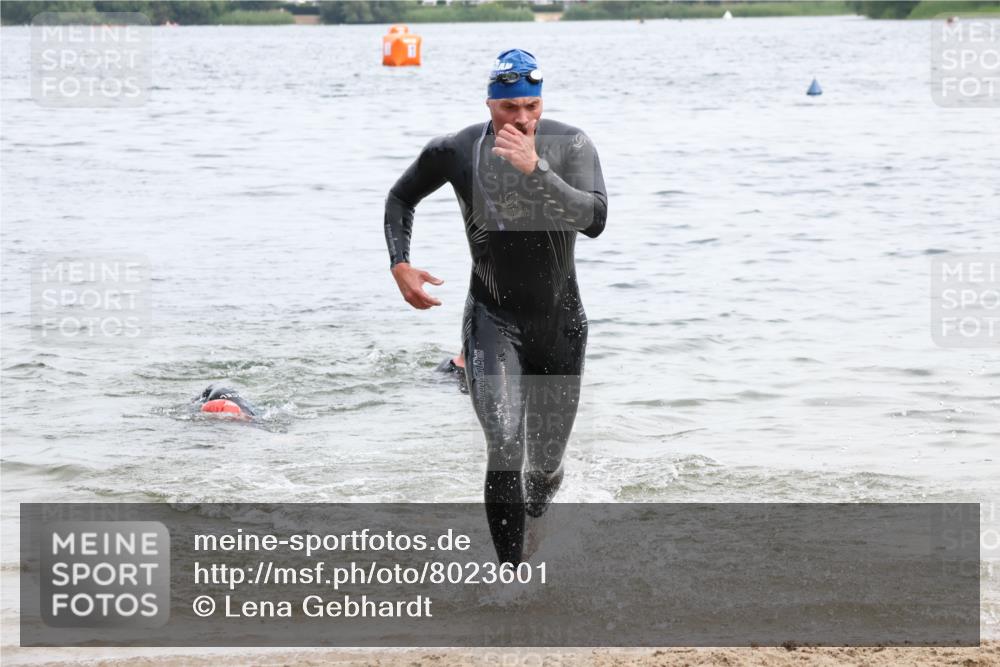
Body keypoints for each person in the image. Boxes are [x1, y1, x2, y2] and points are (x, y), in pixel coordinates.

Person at [384, 48, 607, 564]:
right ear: (490, 104)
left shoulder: (570, 145)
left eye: (532, 106)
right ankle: (512, 582)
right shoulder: (456, 151)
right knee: (505, 447)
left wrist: (537, 169)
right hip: (493, 321)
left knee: (543, 468)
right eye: (510, 108)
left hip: (560, 326)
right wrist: (401, 264)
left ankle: (535, 525)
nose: (523, 119)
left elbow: (595, 219)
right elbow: (400, 198)